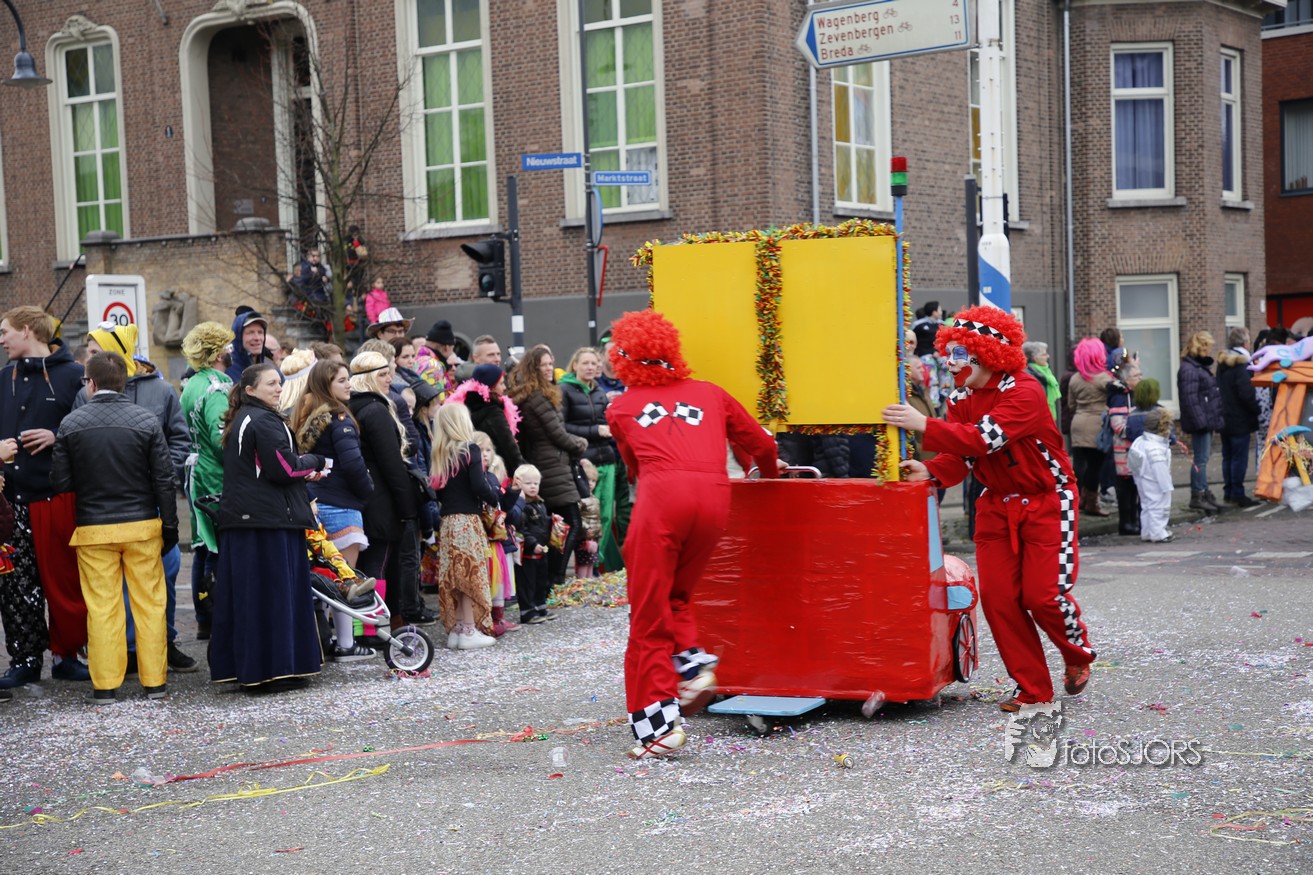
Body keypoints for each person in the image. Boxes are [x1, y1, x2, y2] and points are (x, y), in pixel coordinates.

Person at [882, 304, 1096, 714]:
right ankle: (1032, 688)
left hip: (1048, 500)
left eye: (960, 353)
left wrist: (922, 424)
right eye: (949, 352)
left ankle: (1077, 653)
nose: (951, 362)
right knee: (998, 599)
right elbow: (961, 455)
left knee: (1043, 596)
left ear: (987, 353)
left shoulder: (1024, 391)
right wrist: (929, 469)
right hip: (997, 505)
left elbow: (985, 438)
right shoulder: (959, 398)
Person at [605, 310, 782, 760]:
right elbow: (763, 444)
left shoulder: (621, 407)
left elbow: (632, 466)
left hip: (662, 501)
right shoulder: (710, 393)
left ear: (623, 358)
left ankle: (659, 729)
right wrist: (767, 473)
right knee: (677, 597)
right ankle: (692, 662)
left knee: (647, 618)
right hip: (714, 500)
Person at [50, 352, 178, 703]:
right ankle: (155, 682)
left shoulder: (71, 423)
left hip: (94, 527)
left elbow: (60, 482)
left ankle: (105, 685)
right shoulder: (146, 420)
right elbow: (164, 479)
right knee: (150, 604)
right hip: (142, 525)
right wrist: (169, 526)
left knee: (102, 607)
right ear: (124, 382)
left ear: (90, 384)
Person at [76, 322, 197, 674]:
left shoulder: (160, 390)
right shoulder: (85, 392)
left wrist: (161, 475)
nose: (88, 359)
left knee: (164, 575)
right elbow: (76, 440)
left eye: (95, 352)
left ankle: (164, 643)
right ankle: (125, 651)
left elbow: (179, 439)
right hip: (104, 506)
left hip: (153, 502)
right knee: (112, 587)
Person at [210, 364, 329, 688]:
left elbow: (266, 470)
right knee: (273, 596)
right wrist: (316, 461)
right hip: (266, 521)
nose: (278, 388)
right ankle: (276, 672)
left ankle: (253, 670)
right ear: (250, 390)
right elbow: (284, 469)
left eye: (279, 383)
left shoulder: (247, 417)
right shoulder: (262, 420)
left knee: (251, 598)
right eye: (270, 384)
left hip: (250, 518)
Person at [0, 305, 90, 688]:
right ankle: (24, 659)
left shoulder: (72, 376)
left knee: (65, 580)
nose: (1, 340)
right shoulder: (3, 378)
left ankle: (66, 655)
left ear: (26, 330)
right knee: (15, 584)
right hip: (10, 501)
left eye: (5, 331)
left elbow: (89, 428)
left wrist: (58, 436)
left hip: (56, 496)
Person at [292, 360, 378, 662]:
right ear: (326, 385)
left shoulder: (306, 416)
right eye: (341, 380)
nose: (348, 384)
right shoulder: (340, 418)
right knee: (346, 581)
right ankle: (346, 644)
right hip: (342, 505)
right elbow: (353, 465)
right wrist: (368, 490)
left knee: (322, 580)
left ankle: (322, 641)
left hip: (314, 504)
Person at [347, 352, 428, 628]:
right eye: (382, 374)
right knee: (378, 564)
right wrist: (407, 508)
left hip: (366, 495)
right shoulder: (375, 410)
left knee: (370, 565)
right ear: (367, 378)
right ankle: (374, 628)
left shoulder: (356, 406)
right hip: (381, 498)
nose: (389, 379)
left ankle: (370, 626)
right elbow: (392, 463)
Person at [509, 346, 588, 603]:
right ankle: (555, 581)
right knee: (570, 523)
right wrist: (580, 444)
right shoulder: (537, 397)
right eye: (543, 364)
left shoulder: (535, 394)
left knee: (555, 526)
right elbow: (557, 434)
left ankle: (551, 581)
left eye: (550, 363)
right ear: (533, 368)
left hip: (550, 464)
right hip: (552, 466)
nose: (548, 368)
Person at [180, 322, 235, 641]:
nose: (230, 350)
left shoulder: (193, 382)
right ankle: (214, 615)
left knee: (203, 544)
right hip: (214, 473)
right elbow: (221, 438)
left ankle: (205, 617)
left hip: (197, 470)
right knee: (215, 546)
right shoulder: (216, 387)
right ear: (216, 352)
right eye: (226, 346)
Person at [430, 403, 500, 650]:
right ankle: (470, 630)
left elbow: (437, 491)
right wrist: (495, 496)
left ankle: (458, 628)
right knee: (470, 575)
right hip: (467, 521)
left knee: (455, 577)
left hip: (448, 522)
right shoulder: (470, 449)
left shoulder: (440, 454)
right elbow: (479, 485)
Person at [559, 346, 623, 569]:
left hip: (607, 459)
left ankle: (597, 566)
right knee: (586, 518)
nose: (590, 367)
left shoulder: (599, 392)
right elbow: (562, 427)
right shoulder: (564, 390)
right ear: (575, 365)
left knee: (605, 516)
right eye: (585, 363)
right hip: (584, 461)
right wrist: (595, 431)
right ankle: (584, 568)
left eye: (594, 363)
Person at [446, 363, 525, 475]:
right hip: (496, 471)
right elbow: (509, 449)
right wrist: (523, 471)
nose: (505, 387)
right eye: (501, 383)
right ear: (491, 387)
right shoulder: (493, 411)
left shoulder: (466, 407)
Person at [1177, 331, 1225, 513]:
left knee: (1203, 459)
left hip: (1204, 420)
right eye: (1208, 346)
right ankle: (1198, 495)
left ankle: (1203, 492)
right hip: (1202, 422)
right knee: (1201, 460)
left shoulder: (1194, 367)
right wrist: (1202, 422)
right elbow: (1190, 399)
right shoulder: (1190, 369)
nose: (1210, 350)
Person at [1066, 337, 1114, 517]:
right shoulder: (1104, 378)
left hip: (1078, 423)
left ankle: (1080, 499)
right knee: (1096, 466)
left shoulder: (1075, 378)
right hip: (1096, 425)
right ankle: (1092, 503)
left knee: (1080, 464)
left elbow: (1071, 405)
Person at [1217, 327, 1260, 507]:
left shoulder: (1222, 364)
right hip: (1240, 418)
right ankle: (1237, 493)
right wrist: (1257, 408)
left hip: (1224, 417)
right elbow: (1246, 394)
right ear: (1245, 343)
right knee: (1239, 458)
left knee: (1227, 456)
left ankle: (1228, 491)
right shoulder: (1242, 366)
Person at [512, 463, 553, 624]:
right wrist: (532, 544)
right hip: (527, 552)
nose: (533, 486)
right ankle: (527, 611)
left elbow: (541, 525)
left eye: (536, 483)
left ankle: (540, 606)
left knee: (541, 580)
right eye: (528, 483)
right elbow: (521, 530)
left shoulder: (540, 503)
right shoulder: (521, 505)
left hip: (542, 549)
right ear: (519, 483)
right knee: (527, 582)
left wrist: (552, 522)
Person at [1107, 358, 1143, 535]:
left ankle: (1134, 520)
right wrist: (1138, 431)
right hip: (1123, 451)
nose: (1140, 378)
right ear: (1127, 379)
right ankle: (1126, 522)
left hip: (1134, 449)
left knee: (1135, 487)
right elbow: (1118, 426)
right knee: (1125, 488)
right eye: (1137, 376)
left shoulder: (1133, 395)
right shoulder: (1119, 398)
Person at [1128, 409, 1175, 543]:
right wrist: (1167, 486)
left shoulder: (1140, 441)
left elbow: (1132, 462)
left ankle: (1147, 531)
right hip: (1154, 481)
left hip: (1142, 478)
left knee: (1146, 505)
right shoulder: (1155, 447)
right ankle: (1158, 533)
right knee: (1159, 506)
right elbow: (1160, 468)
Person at [225, 307, 276, 383]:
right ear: (238, 336)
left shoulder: (270, 367)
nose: (257, 338)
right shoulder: (226, 368)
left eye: (260, 332)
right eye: (251, 332)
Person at [1022, 341, 1060, 422]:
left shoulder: (1046, 372)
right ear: (1035, 358)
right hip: (1038, 419)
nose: (1048, 356)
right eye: (1044, 354)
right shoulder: (1030, 375)